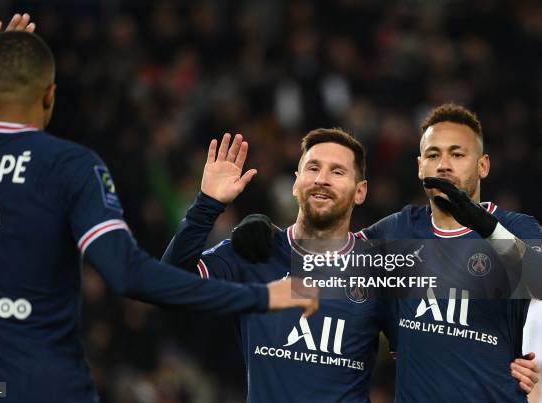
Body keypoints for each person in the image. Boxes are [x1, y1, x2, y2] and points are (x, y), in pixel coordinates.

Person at [0, 14, 317, 403]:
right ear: (49, 95)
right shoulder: (69, 166)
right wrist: (261, 295)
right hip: (42, 387)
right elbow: (130, 274)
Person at [231, 104, 542, 401]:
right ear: (420, 167)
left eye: (457, 154)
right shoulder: (398, 231)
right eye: (433, 155)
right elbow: (331, 251)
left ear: (483, 165)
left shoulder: (515, 228)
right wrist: (267, 233)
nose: (444, 164)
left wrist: (486, 228)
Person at [163, 128, 396, 402]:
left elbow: (426, 355)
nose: (322, 179)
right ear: (296, 184)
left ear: (360, 191)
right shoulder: (254, 251)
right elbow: (169, 284)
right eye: (313, 167)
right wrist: (207, 205)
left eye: (337, 171)